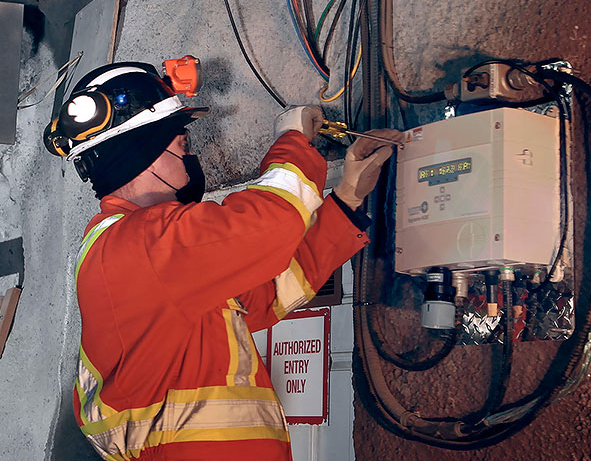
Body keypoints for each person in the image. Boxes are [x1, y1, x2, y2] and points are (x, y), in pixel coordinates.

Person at [44, 61, 402, 461]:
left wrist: (347, 199)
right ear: (141, 153)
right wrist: (292, 139)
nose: (193, 155)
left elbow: (266, 294)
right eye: (183, 145)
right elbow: (271, 222)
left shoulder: (162, 259)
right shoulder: (138, 244)